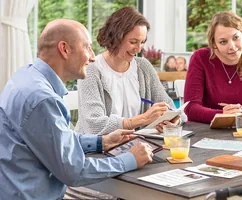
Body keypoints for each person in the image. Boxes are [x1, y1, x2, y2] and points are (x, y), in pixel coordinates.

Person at [0, 19, 154, 199]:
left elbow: (53, 138)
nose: (92, 57)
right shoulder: (43, 99)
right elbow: (74, 171)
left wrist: (101, 142)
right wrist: (130, 159)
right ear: (64, 49)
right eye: (87, 47)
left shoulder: (26, 76)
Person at [75, 6, 185, 135]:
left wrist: (173, 121)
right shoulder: (91, 69)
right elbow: (94, 125)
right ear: (115, 37)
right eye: (133, 42)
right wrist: (142, 119)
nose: (139, 49)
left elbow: (174, 110)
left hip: (133, 144)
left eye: (142, 42)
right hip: (97, 148)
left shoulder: (143, 67)